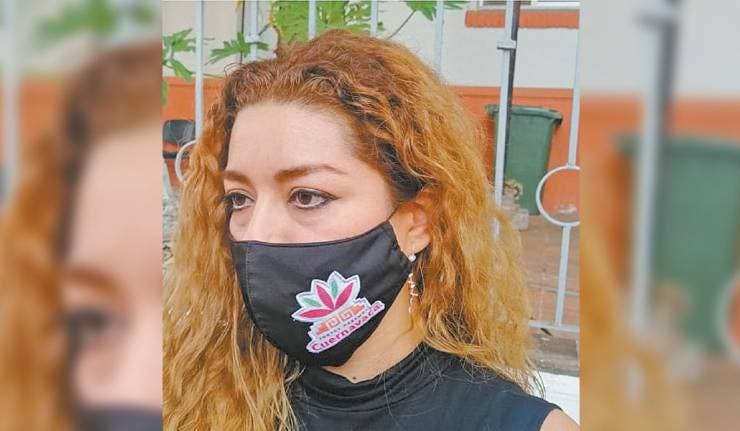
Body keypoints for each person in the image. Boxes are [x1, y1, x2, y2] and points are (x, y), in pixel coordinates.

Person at [164, 29, 578, 431]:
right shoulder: (194, 394)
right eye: (240, 198)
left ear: (418, 221)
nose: (258, 234)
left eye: (307, 196)